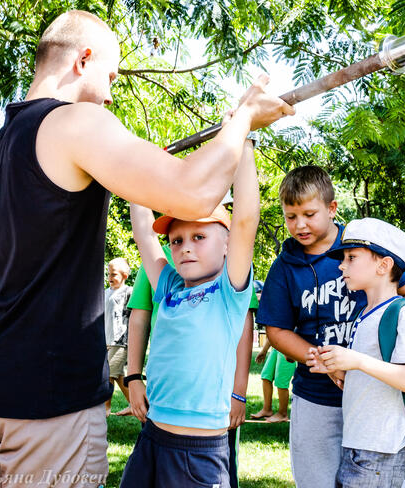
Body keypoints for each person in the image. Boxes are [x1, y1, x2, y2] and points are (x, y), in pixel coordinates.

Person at [0, 9, 293, 488]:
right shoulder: (75, 121)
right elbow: (195, 193)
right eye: (110, 76)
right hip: (44, 397)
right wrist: (242, 121)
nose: (110, 93)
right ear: (83, 59)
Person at [256, 166, 405, 488]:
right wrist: (322, 360)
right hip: (316, 395)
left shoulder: (364, 246)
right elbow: (276, 330)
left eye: (309, 213)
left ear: (332, 209)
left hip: (377, 395)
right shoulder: (284, 267)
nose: (299, 224)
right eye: (291, 216)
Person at [119, 138, 258, 487]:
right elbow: (144, 235)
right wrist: (142, 170)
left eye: (199, 237)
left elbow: (244, 221)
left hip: (200, 450)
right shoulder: (168, 287)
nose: (185, 248)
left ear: (227, 245)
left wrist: (243, 144)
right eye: (177, 240)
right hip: (152, 436)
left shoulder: (229, 291)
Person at [305, 217, 405, 487]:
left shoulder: (404, 313)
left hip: (381, 448)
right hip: (358, 443)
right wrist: (338, 370)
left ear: (384, 265)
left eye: (352, 257)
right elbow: (374, 376)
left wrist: (357, 361)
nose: (342, 265)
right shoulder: (364, 314)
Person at [104, 257, 133, 417]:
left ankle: (106, 408)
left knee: (108, 374)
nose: (109, 278)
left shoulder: (129, 292)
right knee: (118, 375)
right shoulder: (105, 293)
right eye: (108, 274)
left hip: (120, 341)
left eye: (113, 274)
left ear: (124, 276)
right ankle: (138, 403)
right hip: (107, 341)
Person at [251, 337, 296, 422]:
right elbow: (273, 330)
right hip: (276, 346)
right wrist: (264, 350)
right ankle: (266, 409)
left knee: (281, 382)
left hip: (288, 347)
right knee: (266, 376)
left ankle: (282, 414)